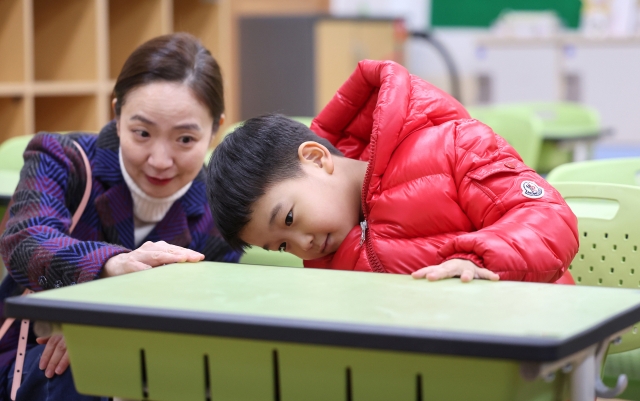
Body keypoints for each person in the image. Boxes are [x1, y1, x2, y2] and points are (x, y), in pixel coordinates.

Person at [0, 33, 240, 401]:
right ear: (117, 113)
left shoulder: (218, 208)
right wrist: (111, 267)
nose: (160, 160)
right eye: (142, 133)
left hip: (153, 357)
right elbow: (26, 240)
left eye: (185, 140)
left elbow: (214, 303)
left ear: (215, 129)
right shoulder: (62, 158)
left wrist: (107, 327)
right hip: (32, 360)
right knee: (84, 366)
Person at [206, 59, 578, 284]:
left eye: (289, 218)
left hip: (532, 345)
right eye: (282, 246)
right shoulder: (326, 257)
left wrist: (478, 261)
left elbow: (549, 219)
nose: (302, 244)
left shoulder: (454, 147)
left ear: (317, 159)